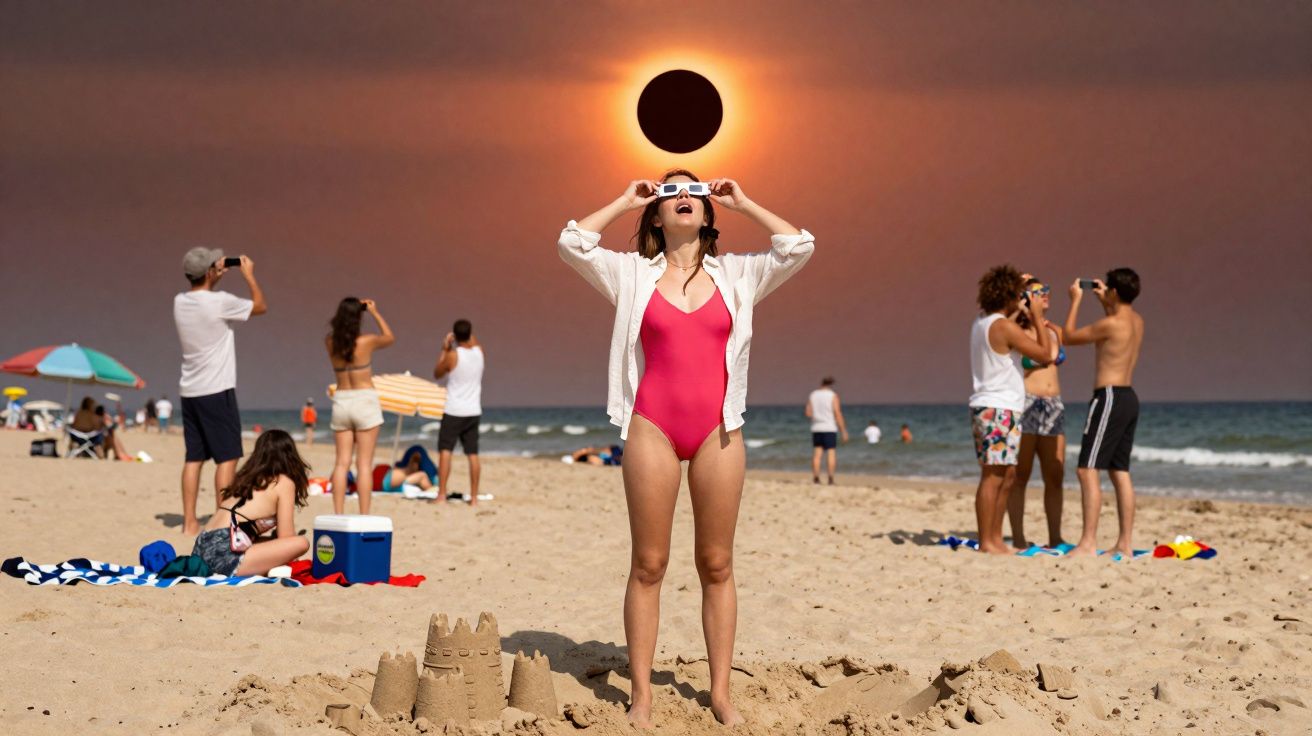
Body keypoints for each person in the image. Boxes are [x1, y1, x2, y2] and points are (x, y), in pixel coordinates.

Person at [559, 170, 813, 727]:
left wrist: (745, 202)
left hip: (719, 431)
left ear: (707, 211)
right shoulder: (630, 275)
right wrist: (625, 198)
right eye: (669, 193)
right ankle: (642, 695)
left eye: (692, 193)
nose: (682, 199)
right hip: (653, 425)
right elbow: (572, 242)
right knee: (649, 564)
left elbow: (798, 246)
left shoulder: (741, 275)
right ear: (655, 213)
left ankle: (720, 693)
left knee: (716, 563)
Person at [174, 247, 267, 536]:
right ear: (210, 272)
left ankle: (189, 522)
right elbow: (260, 306)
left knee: (194, 458)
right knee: (227, 457)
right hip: (217, 389)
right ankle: (222, 521)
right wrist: (249, 275)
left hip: (190, 389)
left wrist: (215, 273)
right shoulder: (220, 302)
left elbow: (204, 289)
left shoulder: (179, 301)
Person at [969, 265, 1053, 555]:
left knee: (1007, 474)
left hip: (996, 407)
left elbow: (1009, 330)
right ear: (1008, 295)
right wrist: (1038, 317)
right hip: (998, 408)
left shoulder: (983, 322)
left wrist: (1020, 305)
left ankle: (994, 538)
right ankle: (987, 542)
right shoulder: (1002, 326)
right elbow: (1044, 354)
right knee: (994, 475)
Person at [1064, 269, 1145, 558]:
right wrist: (1104, 301)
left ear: (1113, 291)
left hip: (1109, 397)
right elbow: (1114, 327)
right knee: (1119, 471)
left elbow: (1069, 336)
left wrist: (1075, 300)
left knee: (1086, 470)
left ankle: (1087, 542)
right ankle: (1125, 542)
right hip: (1128, 397)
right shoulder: (1136, 321)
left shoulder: (1110, 324)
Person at [191, 429, 311, 576]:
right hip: (224, 553)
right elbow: (286, 537)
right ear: (290, 456)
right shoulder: (284, 482)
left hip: (201, 547)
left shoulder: (246, 478)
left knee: (267, 541)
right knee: (301, 543)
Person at [1005, 277, 1068, 549]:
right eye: (1039, 292)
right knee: (1021, 475)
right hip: (1028, 403)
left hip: (1054, 405)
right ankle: (1018, 537)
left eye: (1047, 290)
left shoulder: (1053, 331)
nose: (1045, 295)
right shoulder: (1016, 330)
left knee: (1055, 474)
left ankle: (1055, 537)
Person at [326, 297, 394, 515]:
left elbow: (341, 337)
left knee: (341, 463)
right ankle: (364, 515)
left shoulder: (329, 342)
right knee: (364, 464)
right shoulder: (366, 342)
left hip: (342, 400)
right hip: (364, 400)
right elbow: (389, 337)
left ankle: (338, 513)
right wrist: (373, 312)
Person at [432, 319, 484, 505]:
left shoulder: (453, 355)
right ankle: (474, 497)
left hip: (454, 409)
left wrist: (444, 348)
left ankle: (441, 494)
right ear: (470, 334)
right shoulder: (479, 353)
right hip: (473, 410)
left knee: (446, 451)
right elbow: (473, 341)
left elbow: (437, 373)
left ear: (455, 335)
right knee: (473, 454)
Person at [806, 376, 849, 485]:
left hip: (816, 427)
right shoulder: (832, 396)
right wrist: (843, 430)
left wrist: (817, 416)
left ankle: (816, 478)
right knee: (831, 453)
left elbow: (808, 413)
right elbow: (837, 413)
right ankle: (830, 478)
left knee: (817, 454)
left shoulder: (813, 395)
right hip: (829, 427)